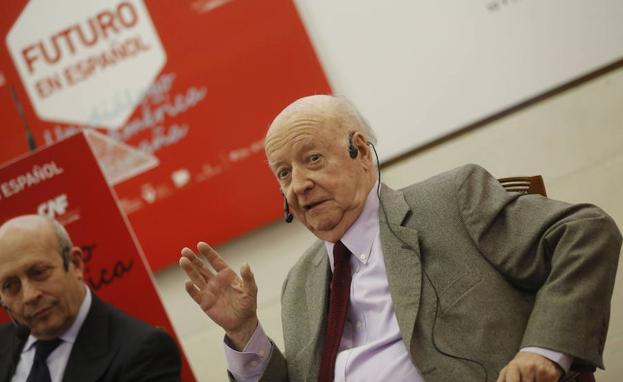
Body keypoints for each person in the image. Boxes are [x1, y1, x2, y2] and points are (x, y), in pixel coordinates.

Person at [179, 95, 622, 382]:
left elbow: (585, 233)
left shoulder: (451, 202)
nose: (298, 185)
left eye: (312, 159)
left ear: (362, 152)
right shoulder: (302, 281)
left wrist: (542, 353)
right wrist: (244, 332)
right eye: (284, 173)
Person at [0, 215, 182, 381]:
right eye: (10, 285)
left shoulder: (144, 352)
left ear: (75, 264)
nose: (29, 295)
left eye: (39, 272)